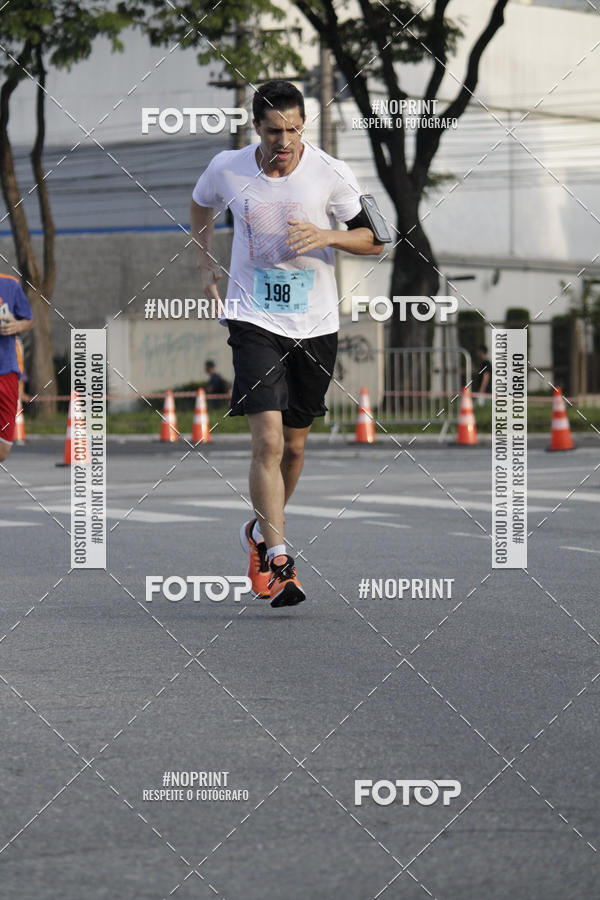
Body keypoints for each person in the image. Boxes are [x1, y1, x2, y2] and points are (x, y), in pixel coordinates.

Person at [190, 80, 383, 608]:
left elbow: (377, 240)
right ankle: (279, 558)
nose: (285, 141)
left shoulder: (331, 173)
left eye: (295, 129)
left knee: (295, 446)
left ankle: (258, 531)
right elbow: (200, 204)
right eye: (275, 130)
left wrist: (329, 236)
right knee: (269, 441)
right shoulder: (227, 168)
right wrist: (205, 263)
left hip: (314, 323)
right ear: (256, 127)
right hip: (253, 318)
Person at [0, 274, 33, 461]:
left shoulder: (9, 285)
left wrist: (16, 324)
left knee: (3, 451)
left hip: (6, 371)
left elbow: (28, 320)